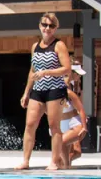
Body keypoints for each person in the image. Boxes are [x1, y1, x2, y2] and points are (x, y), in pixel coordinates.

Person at [17, 12, 72, 170]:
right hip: (38, 90)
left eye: (51, 26)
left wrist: (47, 72)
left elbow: (67, 69)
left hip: (55, 89)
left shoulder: (59, 45)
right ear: (40, 25)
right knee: (30, 125)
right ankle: (26, 160)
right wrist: (26, 92)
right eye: (45, 25)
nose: (47, 28)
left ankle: (55, 161)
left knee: (54, 126)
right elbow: (32, 71)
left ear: (56, 28)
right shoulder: (35, 46)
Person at [58, 65, 89, 169]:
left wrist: (84, 125)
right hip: (63, 122)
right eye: (78, 74)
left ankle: (66, 166)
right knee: (63, 155)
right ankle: (65, 167)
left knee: (75, 152)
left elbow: (80, 108)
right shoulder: (63, 85)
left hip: (73, 122)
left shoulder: (71, 88)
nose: (79, 77)